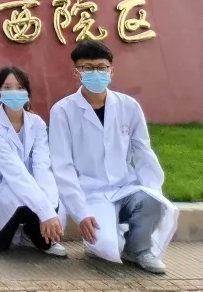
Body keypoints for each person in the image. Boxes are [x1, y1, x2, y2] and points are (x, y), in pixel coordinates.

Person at [49, 41, 178, 274]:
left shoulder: (129, 106)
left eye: (101, 67)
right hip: (91, 192)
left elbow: (143, 152)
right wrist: (81, 212)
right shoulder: (63, 111)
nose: (95, 73)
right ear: (76, 72)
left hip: (124, 187)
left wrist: (153, 193)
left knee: (152, 200)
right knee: (107, 248)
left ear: (111, 70)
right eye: (88, 68)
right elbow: (62, 166)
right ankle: (103, 240)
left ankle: (139, 249)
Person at [0, 66, 66, 259]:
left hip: (30, 186)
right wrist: (44, 211)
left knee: (47, 195)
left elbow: (42, 165)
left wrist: (48, 209)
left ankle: (35, 236)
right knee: (14, 193)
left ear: (27, 92)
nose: (14, 92)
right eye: (7, 87)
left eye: (19, 87)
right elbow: (13, 170)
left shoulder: (37, 123)